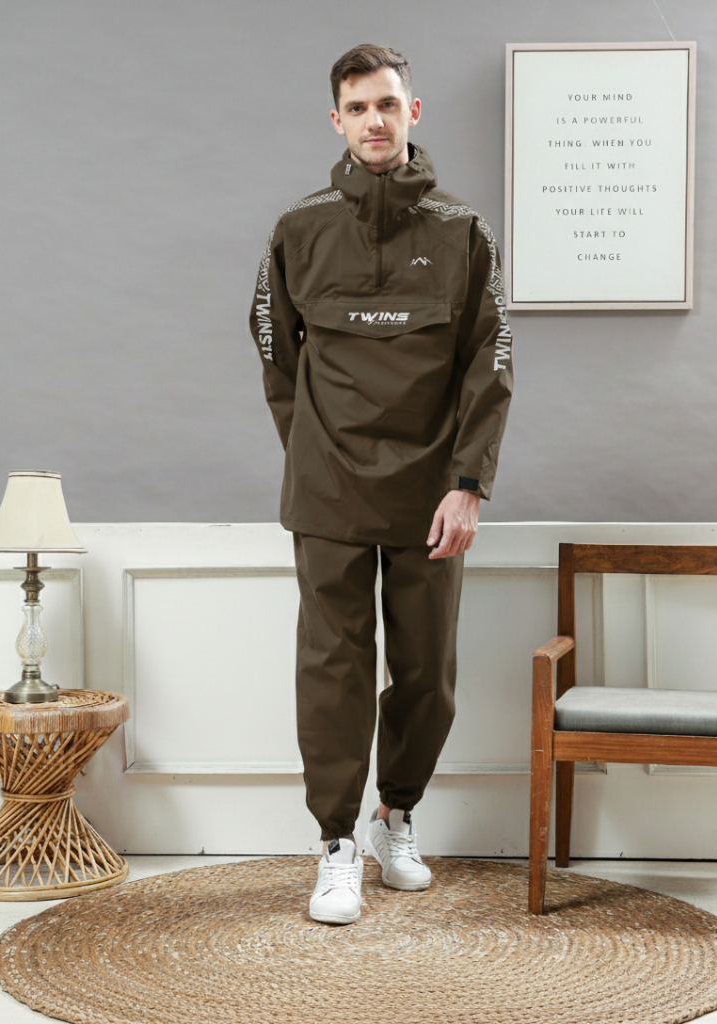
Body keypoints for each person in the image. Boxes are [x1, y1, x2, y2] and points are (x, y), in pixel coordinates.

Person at [249, 43, 513, 924]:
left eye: (387, 104)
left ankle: (395, 817)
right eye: (358, 107)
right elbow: (275, 352)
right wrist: (310, 452)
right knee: (333, 670)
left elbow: (490, 363)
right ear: (337, 120)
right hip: (326, 490)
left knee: (427, 673)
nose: (374, 120)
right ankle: (335, 844)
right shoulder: (298, 229)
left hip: (430, 494)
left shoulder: (463, 230)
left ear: (413, 112)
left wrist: (468, 482)